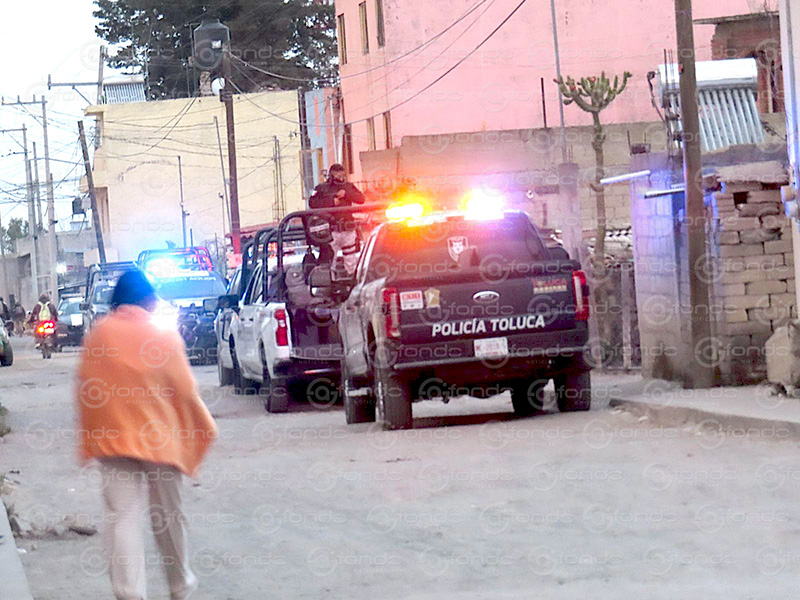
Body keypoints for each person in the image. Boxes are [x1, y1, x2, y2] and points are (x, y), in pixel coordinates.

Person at [76, 270, 218, 600]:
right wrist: (203, 427)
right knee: (169, 515)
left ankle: (129, 593)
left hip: (113, 441)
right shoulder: (161, 336)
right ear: (146, 299)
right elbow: (186, 389)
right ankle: (179, 585)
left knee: (122, 517)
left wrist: (90, 437)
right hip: (161, 441)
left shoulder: (98, 335)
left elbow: (86, 388)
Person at [308, 164, 365, 275]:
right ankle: (330, 283)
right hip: (330, 230)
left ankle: (352, 280)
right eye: (338, 175)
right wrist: (331, 202)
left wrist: (347, 194)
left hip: (347, 228)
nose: (341, 177)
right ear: (332, 175)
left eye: (343, 175)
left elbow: (361, 199)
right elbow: (312, 203)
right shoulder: (322, 188)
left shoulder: (348, 187)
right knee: (330, 260)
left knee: (351, 260)